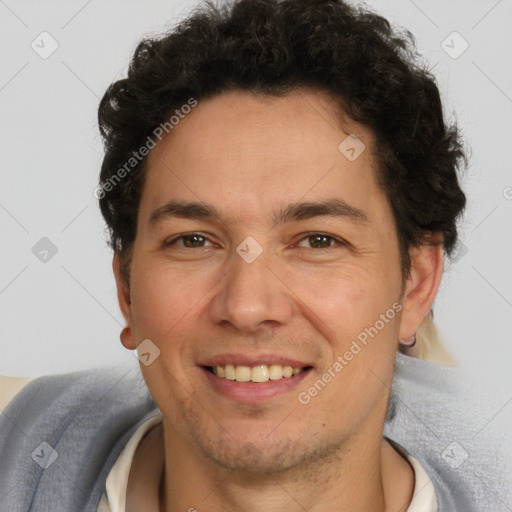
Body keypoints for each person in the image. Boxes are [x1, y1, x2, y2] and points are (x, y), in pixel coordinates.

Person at [1, 0, 511, 510]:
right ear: (127, 289)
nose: (247, 307)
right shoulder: (23, 447)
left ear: (416, 284)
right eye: (193, 241)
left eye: (318, 240)